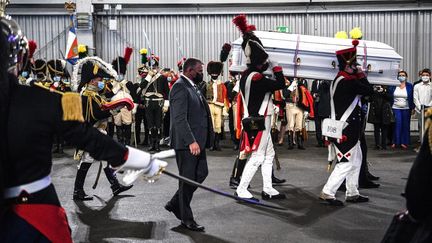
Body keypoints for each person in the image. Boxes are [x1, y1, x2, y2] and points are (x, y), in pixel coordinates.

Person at [0, 19, 167, 242]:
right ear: (20, 57)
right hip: (35, 215)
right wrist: (143, 161)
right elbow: (89, 138)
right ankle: (85, 188)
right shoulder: (48, 100)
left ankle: (106, 185)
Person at [232, 15, 286, 201]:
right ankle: (241, 188)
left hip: (259, 119)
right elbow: (280, 84)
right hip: (260, 121)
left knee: (268, 154)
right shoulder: (257, 78)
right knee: (257, 157)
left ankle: (268, 189)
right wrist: (277, 68)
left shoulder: (248, 75)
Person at [72, 56, 135, 200]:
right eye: (99, 79)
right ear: (92, 80)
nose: (101, 82)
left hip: (97, 131)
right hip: (91, 132)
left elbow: (104, 102)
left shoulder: (93, 94)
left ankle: (115, 186)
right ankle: (77, 191)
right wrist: (115, 109)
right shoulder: (87, 95)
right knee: (86, 161)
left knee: (107, 160)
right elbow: (94, 115)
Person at [319, 39, 373, 206]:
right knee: (346, 163)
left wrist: (357, 74)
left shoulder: (341, 79)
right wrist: (362, 74)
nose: (356, 67)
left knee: (356, 160)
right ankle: (328, 192)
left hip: (348, 128)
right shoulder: (347, 81)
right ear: (348, 65)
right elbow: (368, 90)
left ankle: (352, 192)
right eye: (354, 65)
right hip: (346, 130)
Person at [165, 57, 214, 232]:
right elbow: (179, 118)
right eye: (199, 71)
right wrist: (191, 141)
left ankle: (175, 203)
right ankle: (186, 218)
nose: (202, 74)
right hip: (187, 143)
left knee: (201, 173)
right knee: (186, 180)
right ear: (189, 70)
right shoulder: (179, 87)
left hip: (197, 142)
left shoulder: (192, 87)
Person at [142, 54, 170, 152]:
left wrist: (166, 104)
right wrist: (149, 76)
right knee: (150, 124)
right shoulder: (147, 78)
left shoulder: (162, 78)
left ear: (158, 67)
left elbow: (167, 92)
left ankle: (157, 144)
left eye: (155, 67)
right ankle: (151, 143)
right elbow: (142, 86)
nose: (154, 68)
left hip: (158, 103)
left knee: (158, 124)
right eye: (152, 67)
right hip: (149, 103)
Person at [111, 48, 135, 146]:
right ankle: (120, 143)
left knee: (127, 126)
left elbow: (135, 97)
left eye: (121, 74)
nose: (119, 75)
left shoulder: (128, 83)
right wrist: (116, 88)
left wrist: (134, 109)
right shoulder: (112, 84)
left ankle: (127, 144)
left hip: (126, 108)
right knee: (118, 126)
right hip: (116, 108)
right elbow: (108, 95)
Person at [282, 78, 314, 150]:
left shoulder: (302, 83)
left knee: (299, 125)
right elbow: (284, 95)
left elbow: (306, 95)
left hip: (299, 106)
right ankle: (290, 144)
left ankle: (300, 143)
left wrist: (306, 109)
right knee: (291, 125)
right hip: (290, 105)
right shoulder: (287, 82)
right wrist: (291, 86)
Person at [388, 70, 414, 149]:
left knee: (405, 125)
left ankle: (404, 142)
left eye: (403, 75)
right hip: (395, 108)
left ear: (406, 77)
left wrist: (413, 108)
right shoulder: (393, 86)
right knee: (397, 125)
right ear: (397, 77)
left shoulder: (410, 86)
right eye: (400, 75)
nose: (401, 77)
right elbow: (389, 96)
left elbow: (412, 97)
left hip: (406, 108)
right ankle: (395, 142)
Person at [367, 85, 393, 150]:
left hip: (384, 111)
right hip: (375, 111)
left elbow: (390, 98)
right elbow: (369, 99)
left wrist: (383, 91)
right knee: (376, 129)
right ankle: (377, 144)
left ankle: (384, 144)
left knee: (384, 129)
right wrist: (373, 91)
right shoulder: (373, 88)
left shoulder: (387, 88)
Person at [413, 68, 432, 144]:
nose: (425, 76)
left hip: (429, 110)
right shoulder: (417, 86)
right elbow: (415, 98)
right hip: (419, 110)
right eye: (423, 75)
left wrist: (428, 106)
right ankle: (422, 144)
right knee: (421, 128)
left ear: (430, 76)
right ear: (421, 76)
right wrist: (419, 106)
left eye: (427, 75)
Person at [311, 79, 331, 147]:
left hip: (325, 107)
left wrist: (324, 80)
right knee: (317, 125)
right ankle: (319, 141)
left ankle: (325, 140)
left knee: (325, 125)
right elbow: (312, 92)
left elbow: (327, 88)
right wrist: (314, 95)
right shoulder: (314, 82)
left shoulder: (327, 81)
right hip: (316, 106)